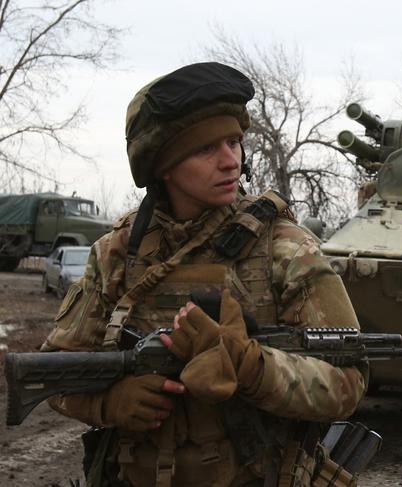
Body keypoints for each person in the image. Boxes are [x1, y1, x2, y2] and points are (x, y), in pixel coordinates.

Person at [40, 62, 367, 487]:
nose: (231, 161)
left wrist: (251, 368)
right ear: (164, 166)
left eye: (234, 142)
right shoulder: (117, 253)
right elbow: (53, 373)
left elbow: (347, 384)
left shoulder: (286, 248)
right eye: (206, 149)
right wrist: (109, 403)